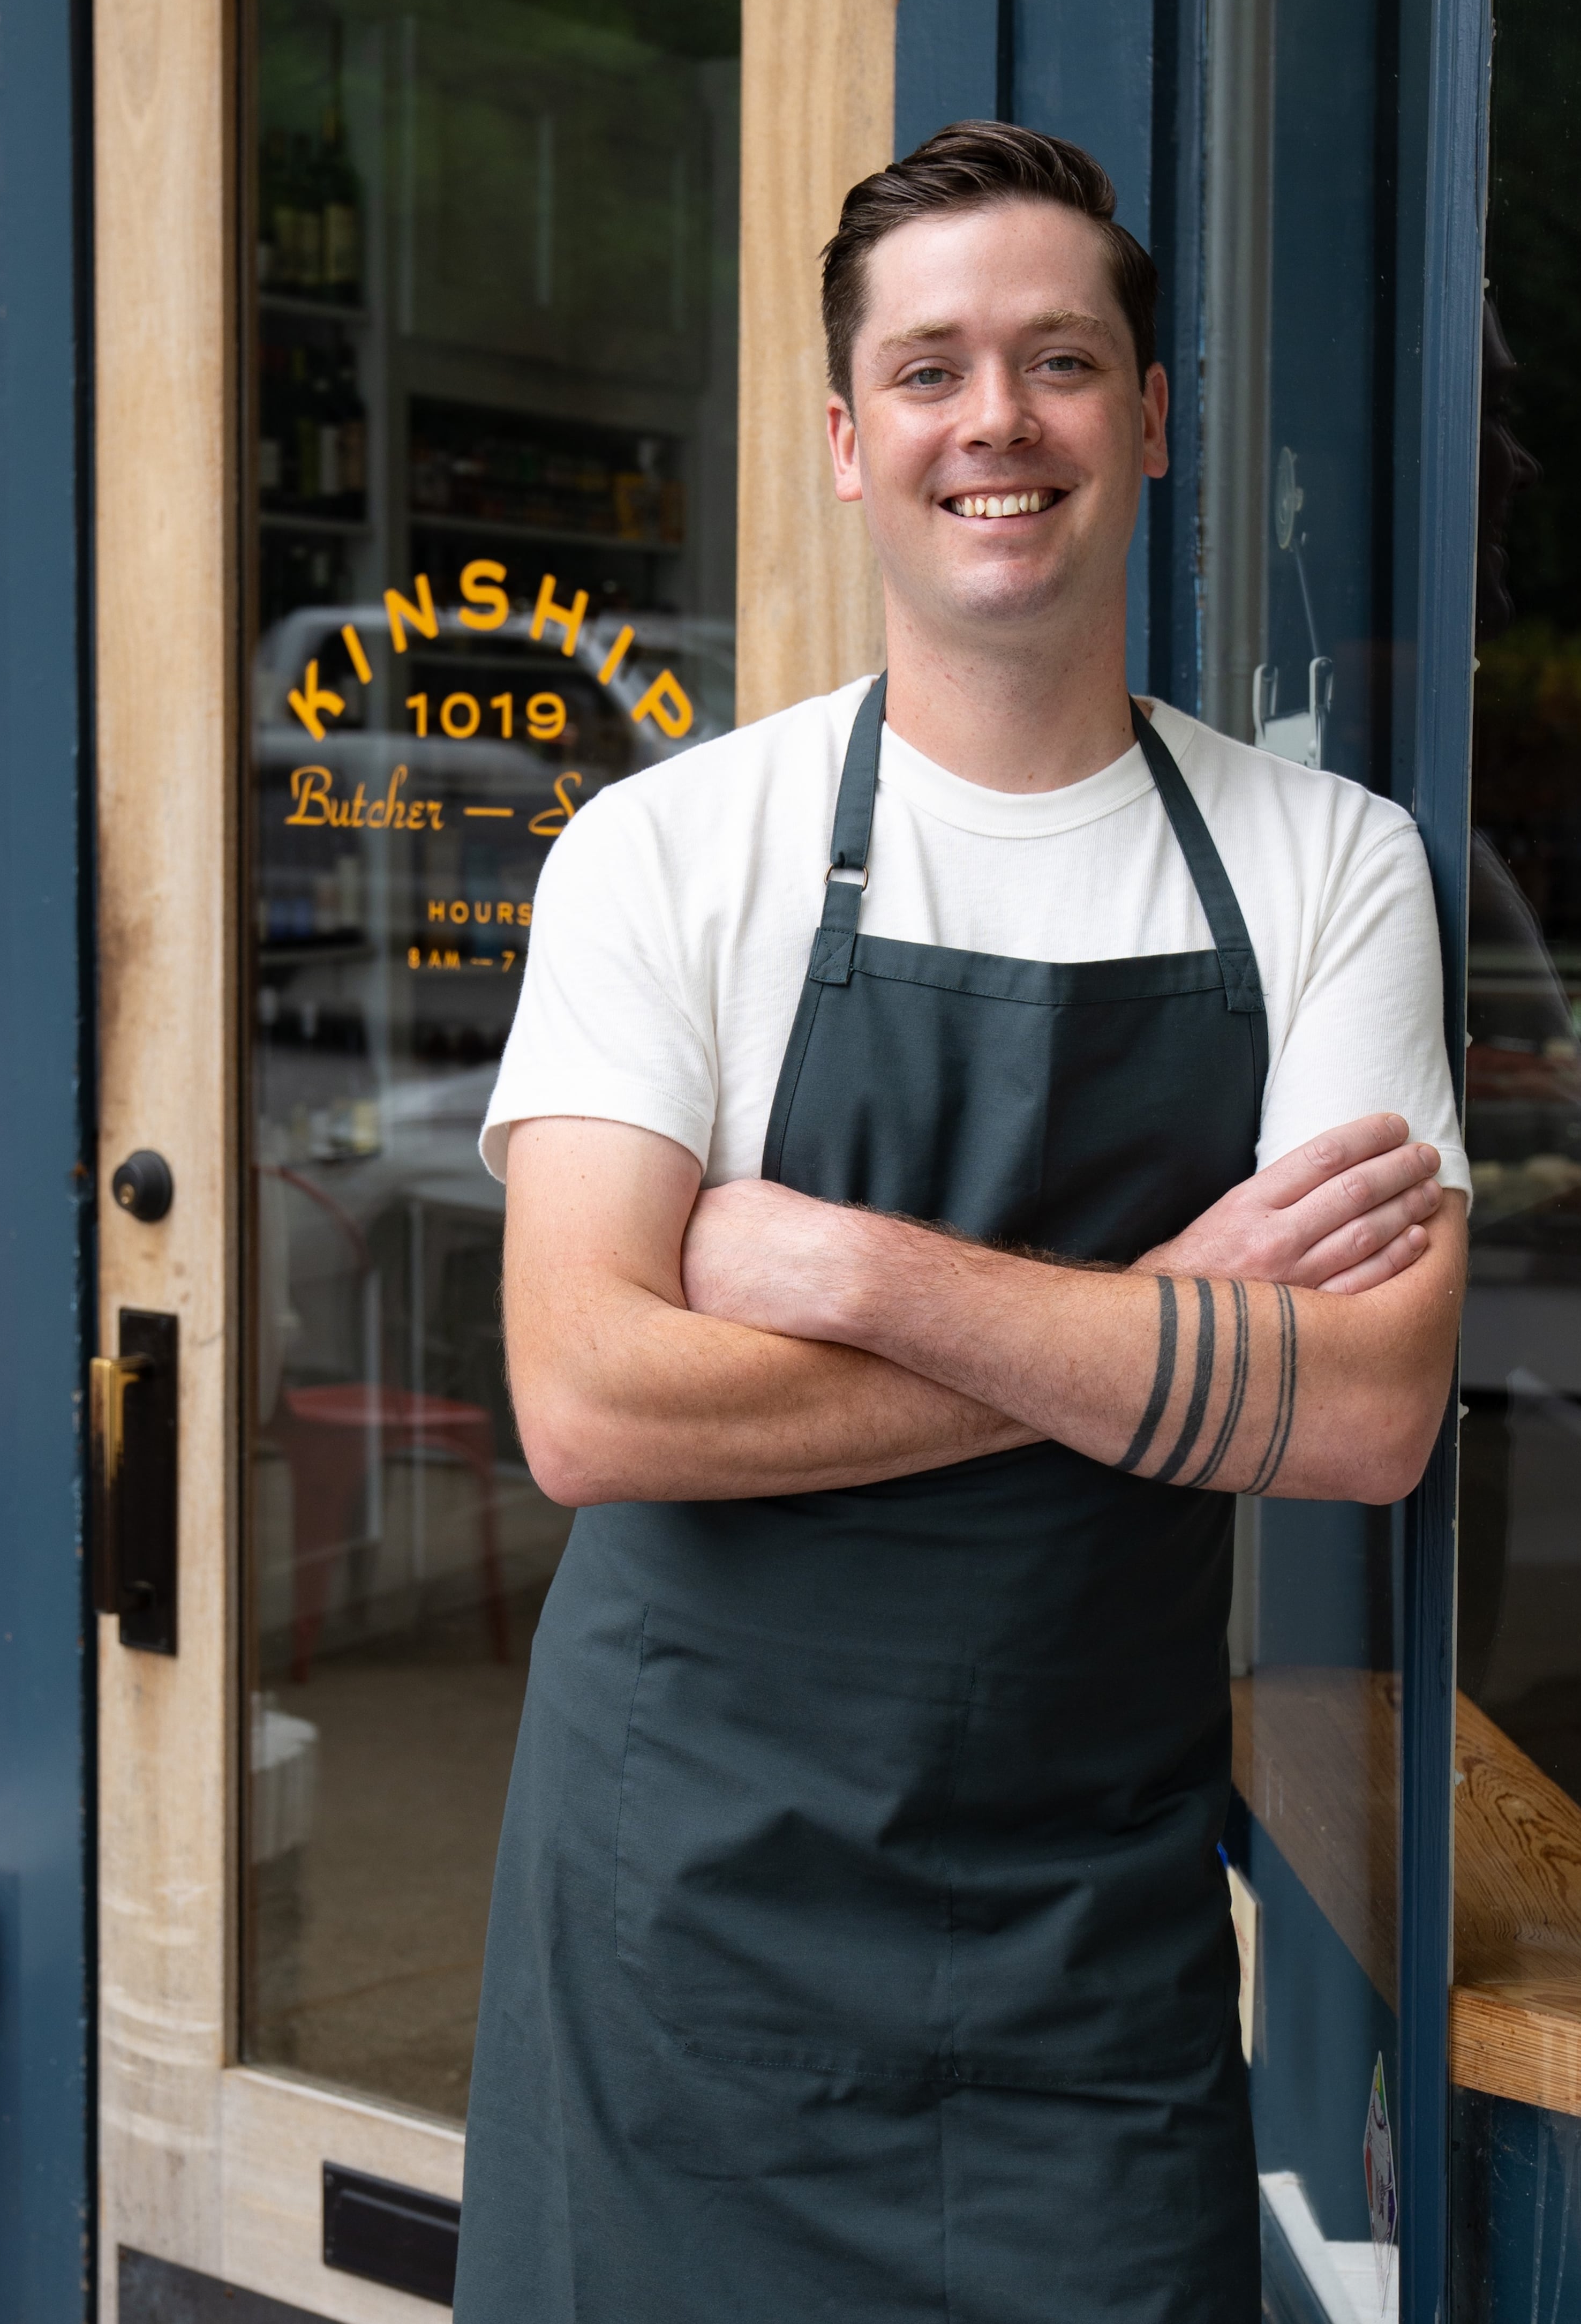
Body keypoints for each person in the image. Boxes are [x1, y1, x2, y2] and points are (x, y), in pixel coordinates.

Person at [454, 122, 1469, 2322]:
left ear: (1153, 415)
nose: (994, 421)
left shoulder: (1325, 863)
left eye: (1060, 359)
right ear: (846, 437)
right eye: (928, 370)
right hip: (681, 1917)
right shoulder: (669, 852)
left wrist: (851, 1267)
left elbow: (1371, 1405)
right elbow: (593, 1399)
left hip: (1085, 1932)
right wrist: (1177, 1330)